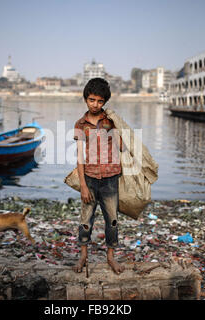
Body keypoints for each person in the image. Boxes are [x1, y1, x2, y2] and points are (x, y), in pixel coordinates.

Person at [72, 78, 125, 275]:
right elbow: (79, 157)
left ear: (105, 102)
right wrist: (83, 186)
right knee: (86, 220)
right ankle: (83, 255)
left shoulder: (110, 121)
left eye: (100, 101)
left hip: (111, 177)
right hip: (90, 178)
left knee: (112, 219)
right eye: (92, 100)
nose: (95, 105)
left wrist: (117, 126)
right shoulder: (80, 124)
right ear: (86, 99)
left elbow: (123, 147)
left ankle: (110, 256)